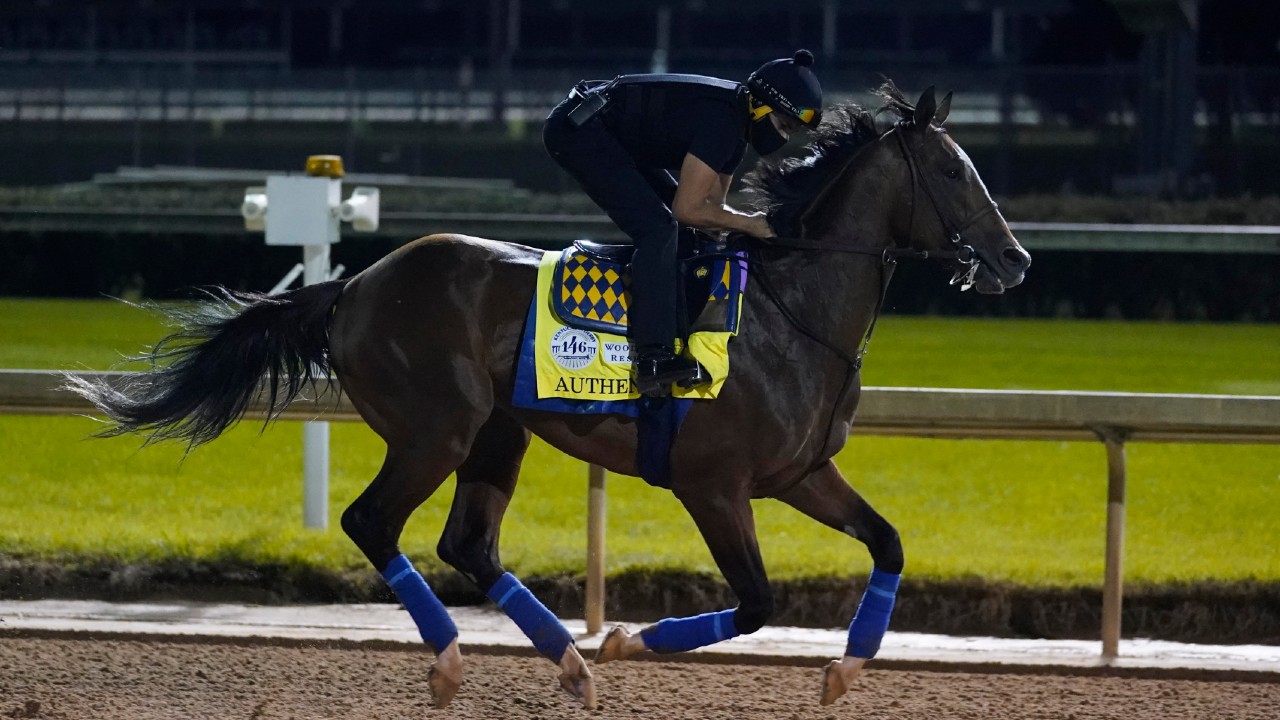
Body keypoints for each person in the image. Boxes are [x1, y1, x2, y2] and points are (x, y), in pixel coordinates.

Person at [543, 49, 824, 397]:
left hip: (608, 131)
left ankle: (678, 328)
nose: (782, 138)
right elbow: (688, 209)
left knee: (687, 230)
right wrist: (752, 224)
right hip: (577, 131)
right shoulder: (723, 122)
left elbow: (713, 210)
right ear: (762, 106)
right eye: (783, 126)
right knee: (659, 229)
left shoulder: (738, 124)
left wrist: (740, 224)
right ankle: (653, 357)